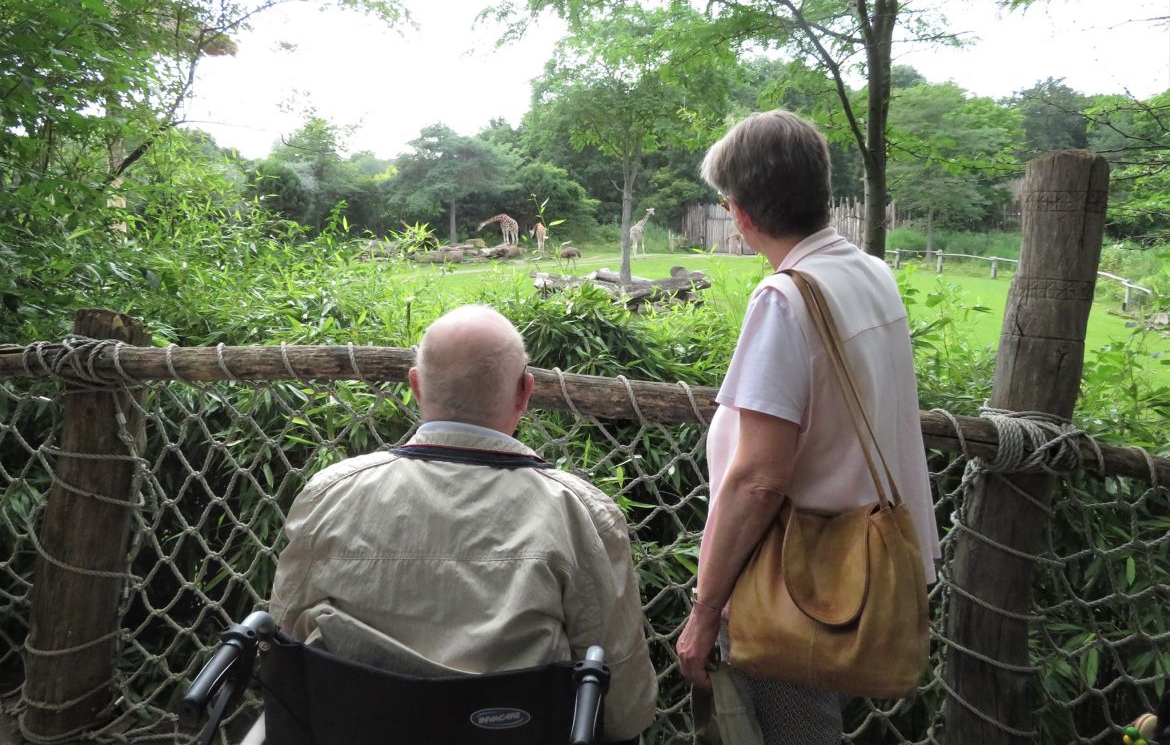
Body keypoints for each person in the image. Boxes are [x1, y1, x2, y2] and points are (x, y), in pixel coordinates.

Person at [248, 305, 657, 743]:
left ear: (416, 387)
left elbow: (285, 649)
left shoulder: (329, 494)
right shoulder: (582, 514)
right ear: (525, 393)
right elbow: (624, 709)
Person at [676, 110, 941, 743]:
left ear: (738, 213)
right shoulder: (871, 273)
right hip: (861, 569)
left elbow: (760, 477)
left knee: (791, 732)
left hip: (797, 581)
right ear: (821, 189)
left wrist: (705, 611)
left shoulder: (786, 298)